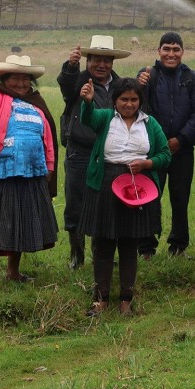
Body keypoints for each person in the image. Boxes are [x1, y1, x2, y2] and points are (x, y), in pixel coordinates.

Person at [0, 48, 58, 289]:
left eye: (25, 79)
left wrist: (49, 166)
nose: (21, 83)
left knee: (21, 221)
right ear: (5, 79)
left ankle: (13, 272)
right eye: (15, 78)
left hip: (31, 172)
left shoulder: (36, 104)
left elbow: (47, 138)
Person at [78, 77, 170, 315]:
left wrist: (147, 163)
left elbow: (165, 154)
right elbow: (87, 119)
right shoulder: (105, 117)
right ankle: (101, 300)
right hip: (106, 183)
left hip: (137, 186)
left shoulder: (150, 123)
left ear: (140, 101)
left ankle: (126, 301)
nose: (129, 104)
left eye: (134, 99)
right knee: (103, 244)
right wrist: (87, 102)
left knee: (129, 244)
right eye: (124, 99)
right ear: (115, 100)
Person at [57, 35, 131, 270]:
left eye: (106, 60)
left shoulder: (120, 85)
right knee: (76, 204)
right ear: (87, 61)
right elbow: (65, 83)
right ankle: (77, 257)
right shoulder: (78, 82)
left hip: (110, 154)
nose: (101, 65)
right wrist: (71, 66)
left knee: (106, 204)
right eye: (96, 60)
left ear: (112, 62)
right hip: (79, 153)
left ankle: (102, 254)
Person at [137, 32, 195, 257]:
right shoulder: (147, 75)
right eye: (166, 49)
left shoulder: (193, 78)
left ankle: (178, 245)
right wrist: (139, 86)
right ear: (159, 51)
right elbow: (138, 109)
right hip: (153, 151)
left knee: (180, 197)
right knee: (149, 197)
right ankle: (146, 247)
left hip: (182, 149)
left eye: (176, 49)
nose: (171, 54)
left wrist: (180, 139)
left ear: (183, 52)